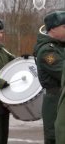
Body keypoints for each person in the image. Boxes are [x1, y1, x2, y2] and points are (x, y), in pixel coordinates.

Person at [34, 10, 65, 144]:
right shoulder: (48, 51)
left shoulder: (60, 47)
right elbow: (62, 71)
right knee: (55, 138)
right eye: (64, 27)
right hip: (55, 102)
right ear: (53, 29)